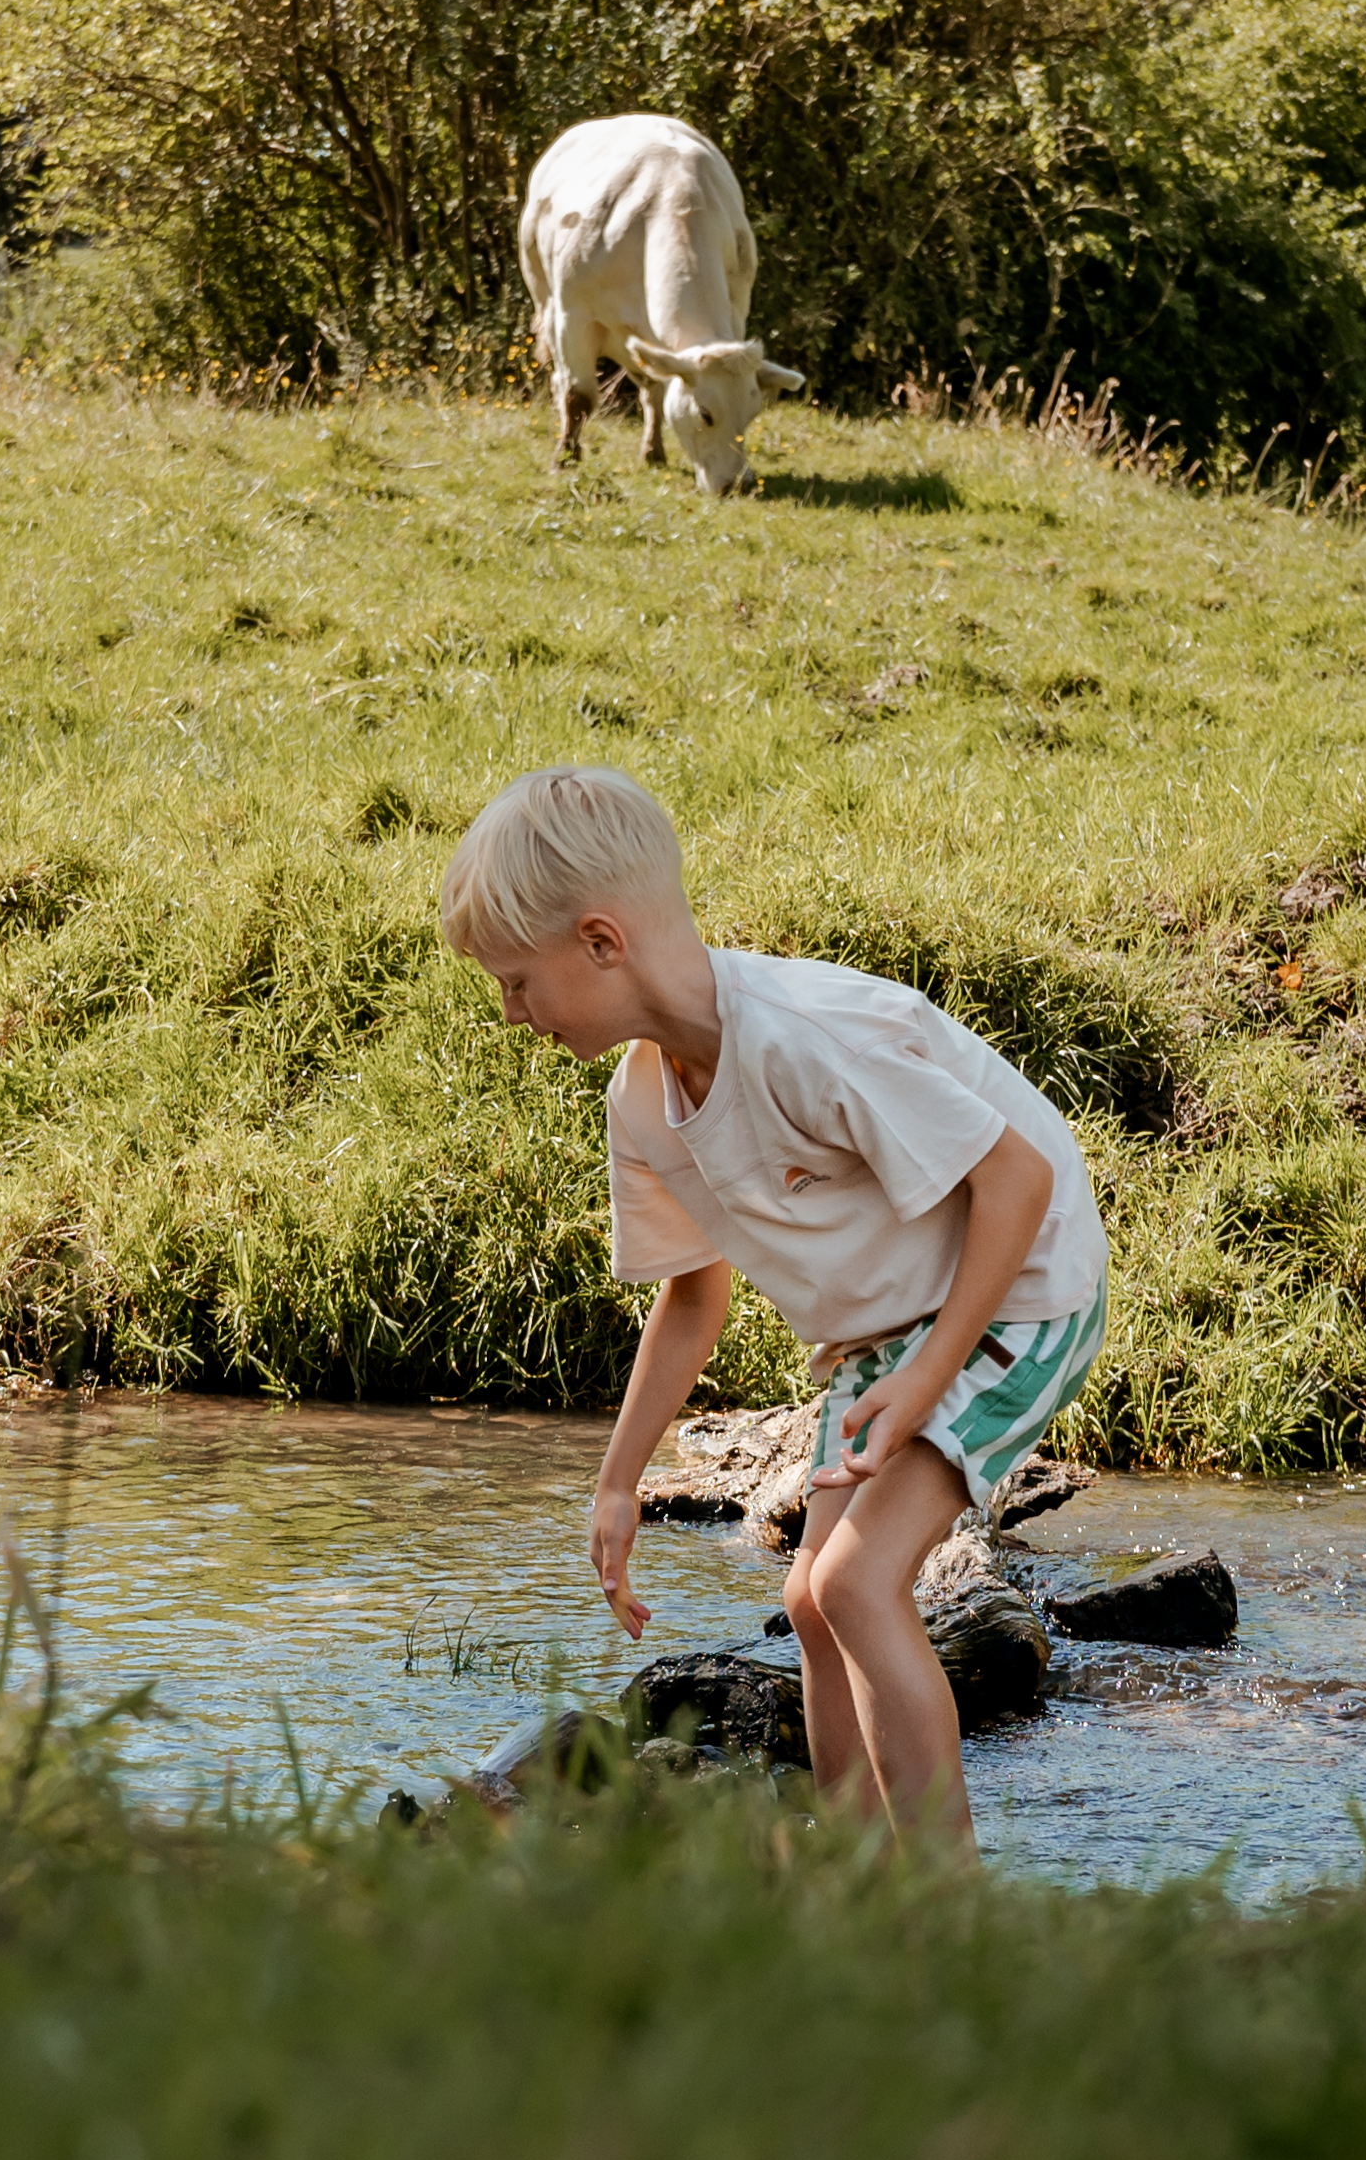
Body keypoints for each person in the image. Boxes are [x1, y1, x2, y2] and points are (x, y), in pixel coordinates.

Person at [437, 764, 1106, 1853]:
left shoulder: (803, 1035)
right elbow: (693, 1296)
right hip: (892, 1327)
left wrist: (929, 1374)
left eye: (518, 980)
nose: (511, 1012)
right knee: (809, 1600)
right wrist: (617, 1480)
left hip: (1023, 1284)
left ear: (601, 942)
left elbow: (1018, 1183)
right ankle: (849, 1872)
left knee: (855, 1581)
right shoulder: (644, 1102)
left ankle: (942, 1902)